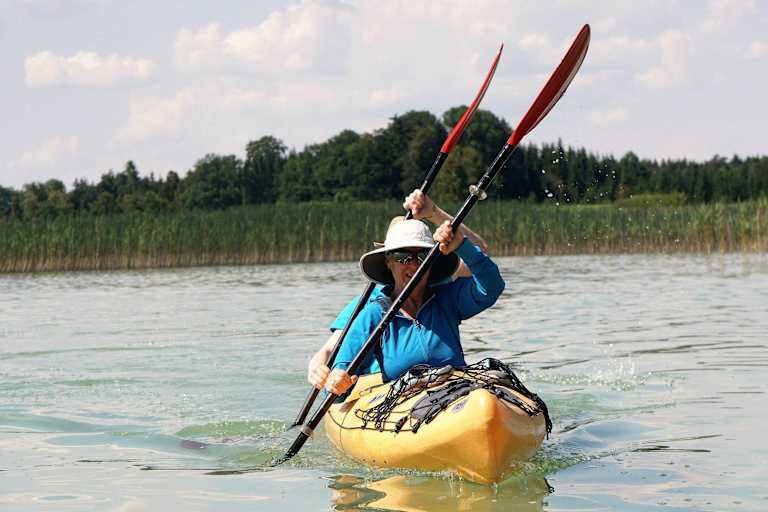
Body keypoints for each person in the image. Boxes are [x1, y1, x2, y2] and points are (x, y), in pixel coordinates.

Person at [308, 194, 505, 395]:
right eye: (403, 256)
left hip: (455, 392)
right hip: (400, 399)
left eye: (423, 256)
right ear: (388, 261)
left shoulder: (447, 297)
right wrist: (334, 378)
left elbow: (492, 286)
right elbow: (338, 364)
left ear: (432, 260)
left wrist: (461, 245)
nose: (413, 264)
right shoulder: (371, 312)